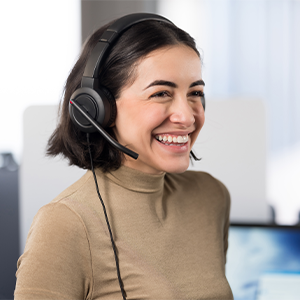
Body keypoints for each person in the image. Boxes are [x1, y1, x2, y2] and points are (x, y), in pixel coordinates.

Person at [14, 13, 233, 300]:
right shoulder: (65, 222)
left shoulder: (211, 196)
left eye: (195, 92)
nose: (186, 116)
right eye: (161, 93)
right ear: (98, 108)